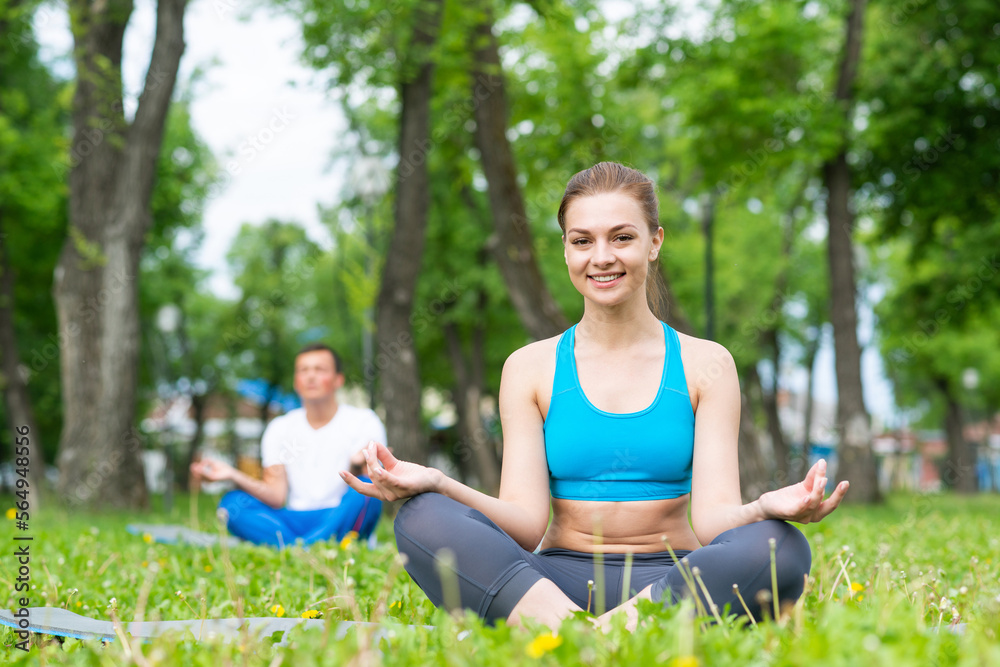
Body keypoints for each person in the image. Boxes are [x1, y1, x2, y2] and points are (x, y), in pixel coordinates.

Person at [342, 162, 850, 629]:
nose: (602, 257)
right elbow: (523, 524)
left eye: (622, 237)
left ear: (654, 242)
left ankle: (587, 640)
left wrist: (765, 507)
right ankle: (597, 636)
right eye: (582, 241)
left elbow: (715, 521)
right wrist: (435, 481)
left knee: (780, 548)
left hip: (673, 583)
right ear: (565, 249)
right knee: (422, 516)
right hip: (550, 584)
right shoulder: (529, 367)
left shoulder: (707, 364)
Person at [191, 343, 384, 547]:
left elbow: (372, 485)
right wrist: (232, 474)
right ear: (296, 382)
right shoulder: (280, 427)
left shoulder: (365, 421)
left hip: (339, 515)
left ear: (338, 380)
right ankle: (312, 548)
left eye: (320, 370)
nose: (311, 376)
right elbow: (275, 496)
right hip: (293, 519)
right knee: (232, 505)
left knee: (367, 493)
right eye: (304, 370)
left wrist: (357, 465)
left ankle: (296, 548)